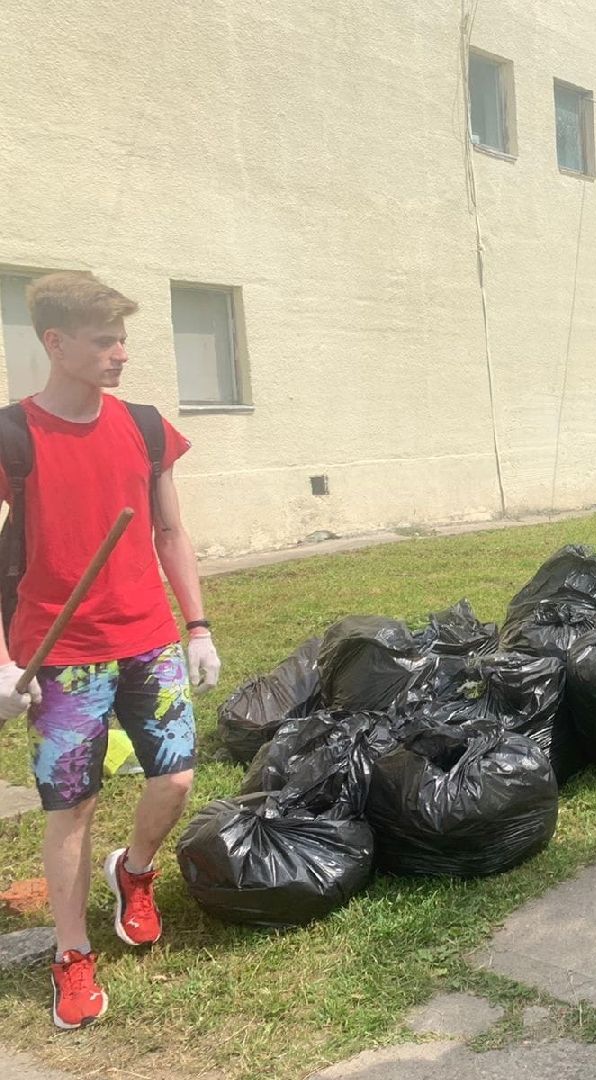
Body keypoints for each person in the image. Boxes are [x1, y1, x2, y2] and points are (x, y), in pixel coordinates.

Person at [0, 271, 222, 1029]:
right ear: (55, 343)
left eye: (123, 339)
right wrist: (1, 664)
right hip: (60, 654)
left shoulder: (146, 426)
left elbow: (170, 532)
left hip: (148, 640)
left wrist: (197, 625)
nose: (120, 353)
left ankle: (133, 873)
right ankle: (71, 954)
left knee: (179, 779)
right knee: (73, 804)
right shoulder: (13, 434)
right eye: (104, 341)